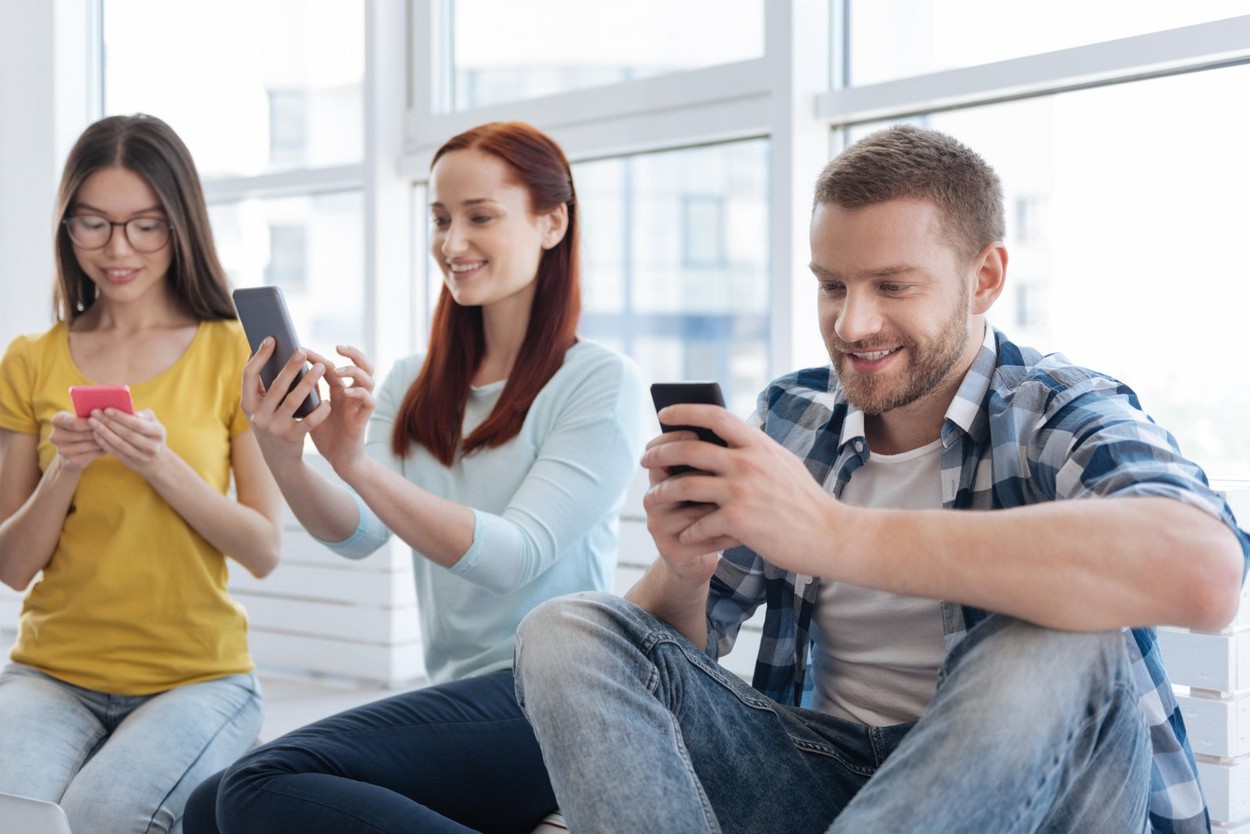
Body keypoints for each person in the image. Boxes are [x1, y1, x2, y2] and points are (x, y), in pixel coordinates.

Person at [513, 125, 1250, 833]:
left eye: (893, 286)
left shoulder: (1058, 412)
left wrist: (834, 533)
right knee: (568, 628)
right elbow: (673, 658)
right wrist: (686, 571)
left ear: (984, 277)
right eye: (832, 286)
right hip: (829, 781)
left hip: (1035, 801)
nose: (852, 324)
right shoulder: (793, 415)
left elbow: (1207, 569)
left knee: (1060, 637)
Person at [183, 121, 649, 833]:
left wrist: (356, 464)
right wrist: (287, 453)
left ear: (552, 222)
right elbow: (357, 534)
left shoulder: (599, 384)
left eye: (480, 217)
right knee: (205, 808)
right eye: (439, 219)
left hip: (563, 697)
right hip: (462, 700)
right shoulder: (414, 382)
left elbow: (511, 556)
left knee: (257, 786)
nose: (451, 243)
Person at [0, 114, 283, 833]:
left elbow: (263, 548)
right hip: (52, 671)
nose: (117, 249)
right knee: (16, 815)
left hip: (197, 678)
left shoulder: (233, 350)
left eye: (145, 226)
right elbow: (12, 565)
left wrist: (159, 463)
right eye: (92, 223)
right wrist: (64, 468)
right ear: (68, 227)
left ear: (180, 225)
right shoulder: (29, 359)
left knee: (102, 817)